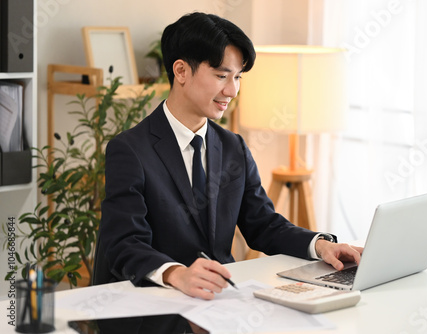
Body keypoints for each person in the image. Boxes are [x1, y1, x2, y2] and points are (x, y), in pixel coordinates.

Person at [93, 12, 363, 300]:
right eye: (222, 76)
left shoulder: (233, 146)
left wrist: (320, 245)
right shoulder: (130, 149)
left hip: (220, 301)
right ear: (181, 71)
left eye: (237, 77)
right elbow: (125, 242)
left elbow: (263, 224)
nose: (232, 91)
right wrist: (176, 274)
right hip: (158, 304)